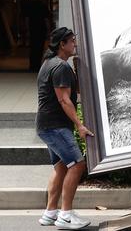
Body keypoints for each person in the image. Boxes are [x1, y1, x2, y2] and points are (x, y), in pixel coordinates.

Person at [36, 27, 94, 229]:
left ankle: (50, 213)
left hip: (48, 125)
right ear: (62, 44)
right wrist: (80, 125)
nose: (75, 44)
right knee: (77, 165)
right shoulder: (60, 67)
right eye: (72, 41)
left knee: (61, 167)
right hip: (55, 126)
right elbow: (64, 100)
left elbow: (68, 93)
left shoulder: (50, 64)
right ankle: (66, 216)